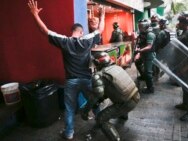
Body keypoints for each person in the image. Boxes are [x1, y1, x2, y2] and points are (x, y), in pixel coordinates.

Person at [27, 0, 105, 140]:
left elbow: (44, 31)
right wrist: (103, 14)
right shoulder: (87, 40)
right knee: (94, 102)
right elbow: (100, 29)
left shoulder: (64, 41)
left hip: (71, 81)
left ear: (72, 31)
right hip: (87, 79)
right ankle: (102, 123)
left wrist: (35, 15)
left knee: (69, 109)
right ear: (81, 32)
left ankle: (69, 133)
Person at [81, 52, 140, 141]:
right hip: (136, 95)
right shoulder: (117, 67)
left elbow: (96, 96)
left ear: (97, 63)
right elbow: (114, 89)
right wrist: (100, 99)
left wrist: (85, 111)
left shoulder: (99, 75)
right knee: (121, 95)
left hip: (126, 103)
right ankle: (123, 116)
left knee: (101, 118)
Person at [134, 19, 156, 94]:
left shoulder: (150, 34)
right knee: (137, 62)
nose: (140, 27)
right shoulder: (142, 33)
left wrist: (139, 51)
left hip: (149, 54)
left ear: (147, 26)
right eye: (139, 26)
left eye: (142, 26)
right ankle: (143, 76)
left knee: (148, 72)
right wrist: (137, 48)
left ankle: (150, 88)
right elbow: (139, 43)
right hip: (143, 53)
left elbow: (149, 46)